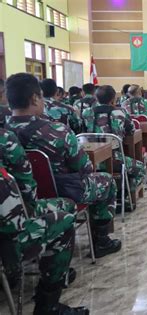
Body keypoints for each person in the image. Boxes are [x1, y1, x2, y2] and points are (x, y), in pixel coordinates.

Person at [6, 73, 121, 259]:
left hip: (17, 201)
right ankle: (101, 241)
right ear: (35, 98)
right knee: (106, 181)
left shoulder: (4, 132)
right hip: (63, 191)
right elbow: (84, 167)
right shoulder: (56, 131)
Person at [0, 128, 88, 315]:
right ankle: (48, 304)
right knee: (63, 220)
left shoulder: (10, 125)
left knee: (65, 205)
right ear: (34, 99)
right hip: (7, 238)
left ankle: (58, 270)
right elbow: (27, 189)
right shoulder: (5, 139)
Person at [82, 85, 146, 195]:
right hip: (115, 159)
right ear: (113, 99)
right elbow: (131, 130)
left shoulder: (86, 113)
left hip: (91, 160)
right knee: (140, 168)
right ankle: (126, 195)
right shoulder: (120, 112)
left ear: (96, 98)